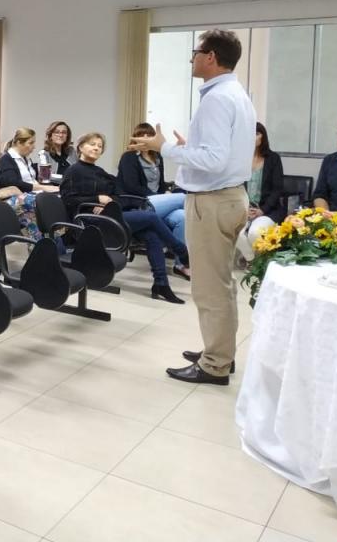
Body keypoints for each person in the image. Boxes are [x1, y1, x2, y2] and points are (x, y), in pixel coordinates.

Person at [130, 28, 256, 385]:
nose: (192, 58)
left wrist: (164, 147)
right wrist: (191, 146)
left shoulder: (217, 98)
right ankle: (220, 352)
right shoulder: (236, 93)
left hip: (213, 201)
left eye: (196, 52)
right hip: (230, 196)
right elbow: (222, 153)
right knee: (222, 284)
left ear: (211, 57)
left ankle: (215, 363)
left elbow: (213, 160)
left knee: (209, 287)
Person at [61, 132, 190, 303]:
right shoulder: (73, 171)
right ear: (80, 147)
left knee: (151, 235)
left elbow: (117, 195)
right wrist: (95, 200)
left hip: (110, 217)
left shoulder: (100, 172)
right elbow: (68, 199)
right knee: (150, 218)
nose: (96, 148)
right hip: (90, 223)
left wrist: (107, 202)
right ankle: (180, 250)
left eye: (99, 146)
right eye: (92, 144)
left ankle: (161, 284)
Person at [117, 122, 186, 244]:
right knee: (184, 198)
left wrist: (166, 191)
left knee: (182, 217)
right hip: (140, 202)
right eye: (142, 135)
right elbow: (131, 186)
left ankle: (180, 263)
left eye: (149, 135)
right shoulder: (129, 157)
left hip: (158, 202)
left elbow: (160, 184)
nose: (146, 138)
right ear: (136, 138)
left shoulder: (158, 157)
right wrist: (160, 197)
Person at [235, 122, 287, 260]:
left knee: (254, 233)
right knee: (234, 232)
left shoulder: (273, 159)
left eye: (257, 134)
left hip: (268, 209)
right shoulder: (241, 159)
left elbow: (277, 189)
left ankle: (256, 261)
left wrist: (262, 210)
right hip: (244, 209)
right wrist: (244, 209)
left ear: (263, 137)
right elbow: (235, 186)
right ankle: (252, 260)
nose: (253, 137)